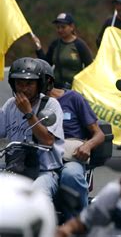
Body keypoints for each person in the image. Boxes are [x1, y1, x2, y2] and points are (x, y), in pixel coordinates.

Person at [37, 58, 105, 218]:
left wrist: (87, 146)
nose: (26, 88)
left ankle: (78, 223)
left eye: (32, 82)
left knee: (71, 175)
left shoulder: (73, 98)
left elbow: (99, 133)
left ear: (47, 81)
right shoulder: (26, 104)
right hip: (40, 160)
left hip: (70, 159)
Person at [1, 57, 64, 200]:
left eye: (29, 84)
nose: (23, 89)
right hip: (15, 168)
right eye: (19, 83)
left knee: (36, 196)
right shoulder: (10, 104)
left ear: (39, 84)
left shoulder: (50, 104)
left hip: (44, 171)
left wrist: (28, 113)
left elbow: (48, 141)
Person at [33, 13, 93, 89]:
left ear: (72, 27)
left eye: (63, 27)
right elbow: (47, 64)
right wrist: (39, 48)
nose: (60, 30)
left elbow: (90, 68)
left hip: (74, 88)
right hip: (56, 88)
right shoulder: (55, 44)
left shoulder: (79, 45)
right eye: (58, 27)